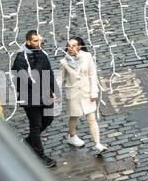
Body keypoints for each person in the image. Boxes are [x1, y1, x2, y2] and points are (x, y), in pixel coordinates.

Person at [11, 30, 57, 167]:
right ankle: (40, 156)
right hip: (30, 98)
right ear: (28, 42)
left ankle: (30, 140)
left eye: (39, 40)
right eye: (35, 41)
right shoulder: (20, 59)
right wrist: (38, 62)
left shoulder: (41, 53)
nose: (38, 43)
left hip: (45, 95)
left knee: (48, 118)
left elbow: (49, 72)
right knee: (35, 126)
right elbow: (29, 79)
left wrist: (53, 90)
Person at [58, 36, 108, 155]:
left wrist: (93, 92)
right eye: (69, 45)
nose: (70, 48)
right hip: (73, 94)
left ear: (79, 46)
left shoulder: (87, 57)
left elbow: (92, 74)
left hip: (86, 92)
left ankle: (98, 144)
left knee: (91, 118)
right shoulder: (64, 62)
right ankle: (72, 136)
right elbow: (60, 79)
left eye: (73, 45)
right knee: (74, 117)